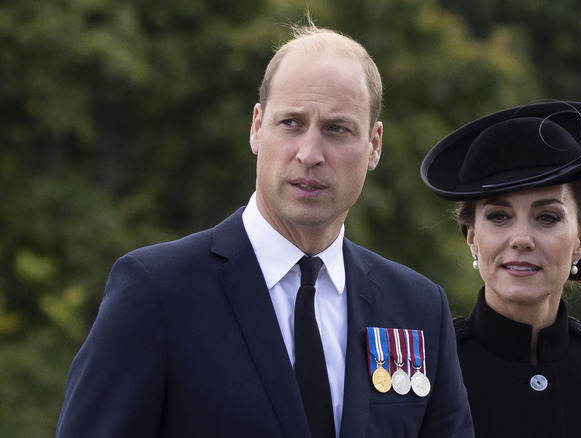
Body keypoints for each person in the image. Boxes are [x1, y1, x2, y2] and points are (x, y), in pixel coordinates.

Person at [57, 21, 473, 438]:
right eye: (291, 123)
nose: (310, 154)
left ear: (374, 145)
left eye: (337, 129)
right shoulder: (157, 292)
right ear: (257, 127)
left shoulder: (417, 308)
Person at [420, 101, 581, 437]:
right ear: (472, 238)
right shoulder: (426, 371)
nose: (521, 239)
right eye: (499, 217)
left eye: (546, 217)